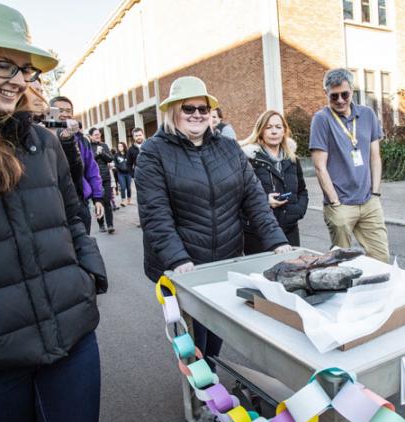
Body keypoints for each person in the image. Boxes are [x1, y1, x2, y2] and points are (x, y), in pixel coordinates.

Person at [0, 2, 108, 422]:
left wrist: (89, 276)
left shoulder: (42, 142)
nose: (20, 80)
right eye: (4, 64)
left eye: (25, 69)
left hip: (72, 336)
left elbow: (73, 216)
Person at [135, 76, 291, 370]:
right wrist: (178, 258)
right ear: (173, 111)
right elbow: (155, 214)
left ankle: (209, 378)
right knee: (193, 339)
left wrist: (278, 241)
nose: (197, 114)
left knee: (215, 331)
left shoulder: (229, 147)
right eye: (188, 108)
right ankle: (197, 398)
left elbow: (254, 198)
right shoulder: (153, 152)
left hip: (224, 260)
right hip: (183, 264)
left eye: (203, 109)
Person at [309, 68, 389, 262]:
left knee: (381, 258)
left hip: (369, 201)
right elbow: (320, 166)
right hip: (341, 204)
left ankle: (376, 293)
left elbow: (375, 157)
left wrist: (376, 193)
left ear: (352, 90)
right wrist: (335, 202)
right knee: (341, 263)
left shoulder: (367, 114)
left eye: (344, 94)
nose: (340, 100)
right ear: (326, 93)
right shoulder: (321, 119)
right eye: (333, 96)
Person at [240, 111, 309, 254]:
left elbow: (302, 190)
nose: (274, 131)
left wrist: (298, 211)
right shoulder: (248, 159)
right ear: (260, 131)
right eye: (269, 127)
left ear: (284, 131)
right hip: (259, 232)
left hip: (289, 230)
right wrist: (265, 201)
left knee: (291, 272)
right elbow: (239, 195)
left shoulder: (292, 159)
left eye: (278, 127)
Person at [50, 96, 104, 234]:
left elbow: (92, 170)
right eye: (60, 110)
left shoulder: (81, 140)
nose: (65, 114)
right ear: (51, 112)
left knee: (83, 245)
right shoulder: (42, 138)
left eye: (69, 111)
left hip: (80, 202)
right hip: (53, 205)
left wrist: (98, 198)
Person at [26, 80, 85, 201]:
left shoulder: (76, 136)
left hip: (74, 200)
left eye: (41, 91)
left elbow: (76, 173)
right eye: (34, 91)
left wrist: (67, 141)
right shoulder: (33, 131)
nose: (64, 114)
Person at [89, 127, 115, 233]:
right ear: (90, 136)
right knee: (98, 202)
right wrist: (97, 154)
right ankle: (101, 224)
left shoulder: (104, 145)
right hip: (94, 179)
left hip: (105, 177)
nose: (98, 136)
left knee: (107, 201)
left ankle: (110, 225)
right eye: (95, 135)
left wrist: (102, 153)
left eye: (99, 134)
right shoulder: (88, 146)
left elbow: (110, 158)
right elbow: (87, 161)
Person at [114, 142, 132, 206]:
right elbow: (115, 163)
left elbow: (131, 162)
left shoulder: (128, 154)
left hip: (128, 173)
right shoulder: (116, 155)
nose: (120, 148)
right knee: (123, 187)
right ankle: (123, 201)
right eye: (118, 146)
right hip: (121, 173)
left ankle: (129, 200)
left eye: (121, 146)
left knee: (128, 187)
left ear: (124, 147)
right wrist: (120, 168)